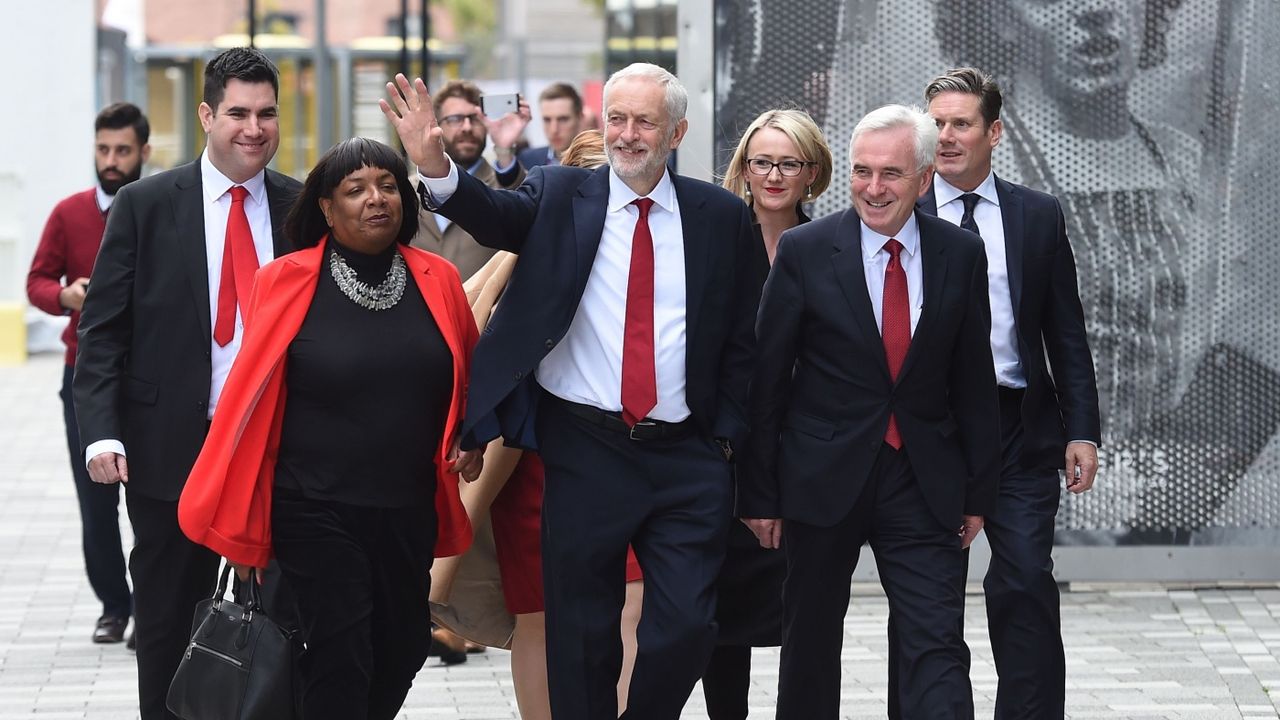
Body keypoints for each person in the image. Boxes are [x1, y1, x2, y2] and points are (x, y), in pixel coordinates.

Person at [382, 62, 758, 720]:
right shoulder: (561, 195)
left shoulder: (720, 216)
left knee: (688, 627)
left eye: (645, 121)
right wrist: (433, 163)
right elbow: (491, 214)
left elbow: (743, 339)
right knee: (580, 636)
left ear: (677, 132)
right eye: (617, 118)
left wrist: (723, 437)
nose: (628, 134)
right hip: (586, 449)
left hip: (686, 456)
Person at [178, 137, 481, 720]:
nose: (376, 200)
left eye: (389, 186)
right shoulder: (285, 279)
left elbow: (467, 375)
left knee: (404, 646)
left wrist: (473, 432)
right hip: (312, 505)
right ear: (325, 207)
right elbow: (252, 392)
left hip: (408, 505)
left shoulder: (438, 279)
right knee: (342, 651)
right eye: (356, 189)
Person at [738, 104, 1000, 719]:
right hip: (820, 478)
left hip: (922, 479)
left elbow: (974, 382)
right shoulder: (805, 250)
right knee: (810, 642)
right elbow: (767, 381)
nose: (873, 188)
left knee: (935, 641)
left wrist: (978, 493)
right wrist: (759, 493)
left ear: (926, 176)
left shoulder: (960, 254)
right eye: (861, 171)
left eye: (890, 174)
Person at [73, 48, 302, 720]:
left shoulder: (301, 207)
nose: (253, 128)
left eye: (265, 113)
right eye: (237, 112)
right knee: (170, 616)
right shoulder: (145, 205)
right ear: (206, 114)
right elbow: (104, 330)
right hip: (170, 448)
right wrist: (101, 431)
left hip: (279, 452)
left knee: (284, 621)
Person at [934, 0, 1207, 541]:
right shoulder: (980, 179)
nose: (1095, 11)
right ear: (1001, 17)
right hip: (1026, 447)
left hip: (1155, 475)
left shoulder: (1187, 163)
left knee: (1027, 594)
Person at [889, 66, 1103, 719]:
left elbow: (1064, 330)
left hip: (1018, 431)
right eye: (936, 124)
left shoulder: (1036, 216)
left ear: (995, 131)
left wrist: (1082, 427)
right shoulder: (897, 212)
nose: (946, 137)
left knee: (1025, 584)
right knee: (927, 597)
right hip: (932, 432)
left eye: (961, 124)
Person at [442, 128, 646, 720]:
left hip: (623, 456)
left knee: (628, 605)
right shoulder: (523, 263)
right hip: (534, 462)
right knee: (538, 616)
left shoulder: (650, 252)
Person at [711, 108, 833, 719]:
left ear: (812, 171)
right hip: (724, 450)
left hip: (803, 452)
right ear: (744, 168)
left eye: (790, 163)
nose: (775, 175)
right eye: (763, 162)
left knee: (801, 610)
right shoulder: (714, 241)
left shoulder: (831, 245)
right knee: (721, 616)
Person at [26, 102, 149, 646]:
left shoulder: (159, 207)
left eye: (123, 150)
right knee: (95, 504)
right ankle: (113, 607)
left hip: (149, 378)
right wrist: (64, 296)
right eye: (103, 150)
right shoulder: (68, 213)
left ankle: (154, 604)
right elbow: (36, 281)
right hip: (84, 375)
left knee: (154, 501)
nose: (112, 160)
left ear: (143, 151)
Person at [412, 79, 529, 281]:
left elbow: (523, 204)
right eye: (455, 119)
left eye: (475, 118)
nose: (467, 127)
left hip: (481, 310)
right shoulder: (407, 190)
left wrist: (504, 150)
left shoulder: (503, 185)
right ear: (436, 125)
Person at [518, 82, 584, 168]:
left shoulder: (599, 163)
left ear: (579, 118)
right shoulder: (527, 159)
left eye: (563, 119)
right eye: (547, 120)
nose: (554, 129)